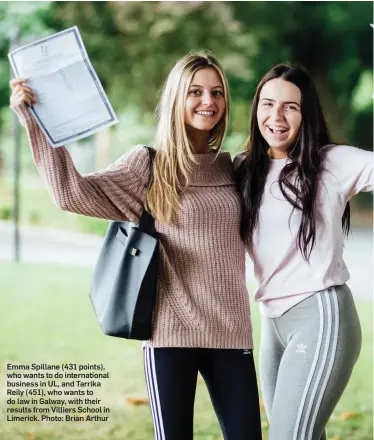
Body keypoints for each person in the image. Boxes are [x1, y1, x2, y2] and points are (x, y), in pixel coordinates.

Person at [10, 52, 262, 440]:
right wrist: (35, 121)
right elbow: (70, 194)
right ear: (177, 98)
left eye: (217, 92)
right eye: (195, 91)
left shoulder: (235, 168)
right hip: (169, 336)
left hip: (232, 334)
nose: (208, 102)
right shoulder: (147, 166)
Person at [234, 63, 373, 440]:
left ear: (305, 113)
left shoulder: (331, 162)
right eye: (267, 104)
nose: (276, 116)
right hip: (272, 324)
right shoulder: (244, 169)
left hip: (321, 315)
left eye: (290, 107)